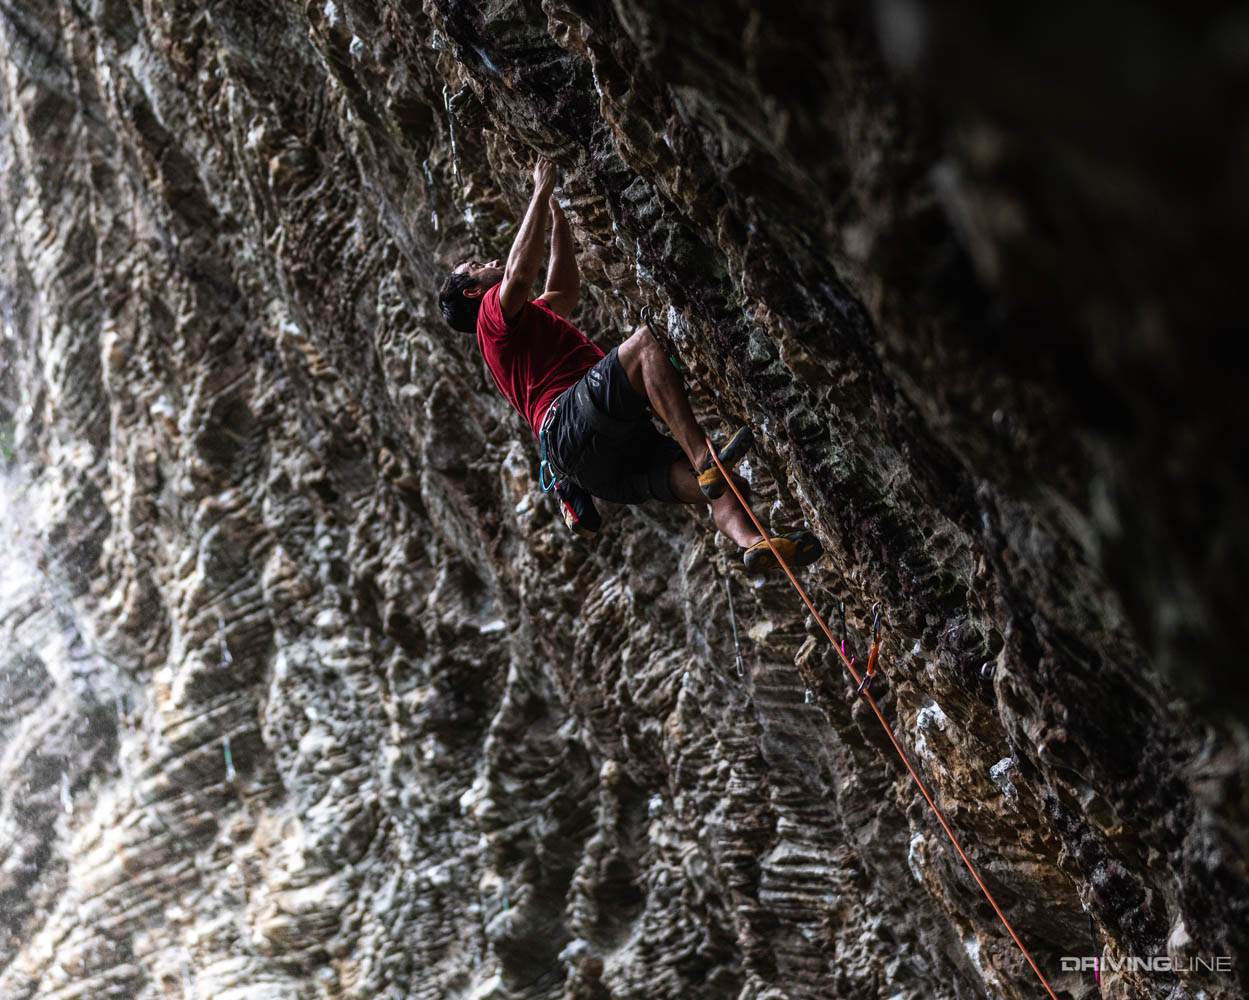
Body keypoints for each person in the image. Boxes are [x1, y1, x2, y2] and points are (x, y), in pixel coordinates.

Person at [436, 157, 821, 571]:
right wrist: (540, 190)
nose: (488, 262)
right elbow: (518, 273)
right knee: (646, 345)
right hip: (570, 423)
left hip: (595, 467)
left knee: (726, 488)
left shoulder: (521, 325)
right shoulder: (491, 321)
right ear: (474, 293)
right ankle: (704, 460)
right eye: (476, 267)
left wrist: (559, 218)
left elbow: (562, 293)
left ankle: (751, 543)